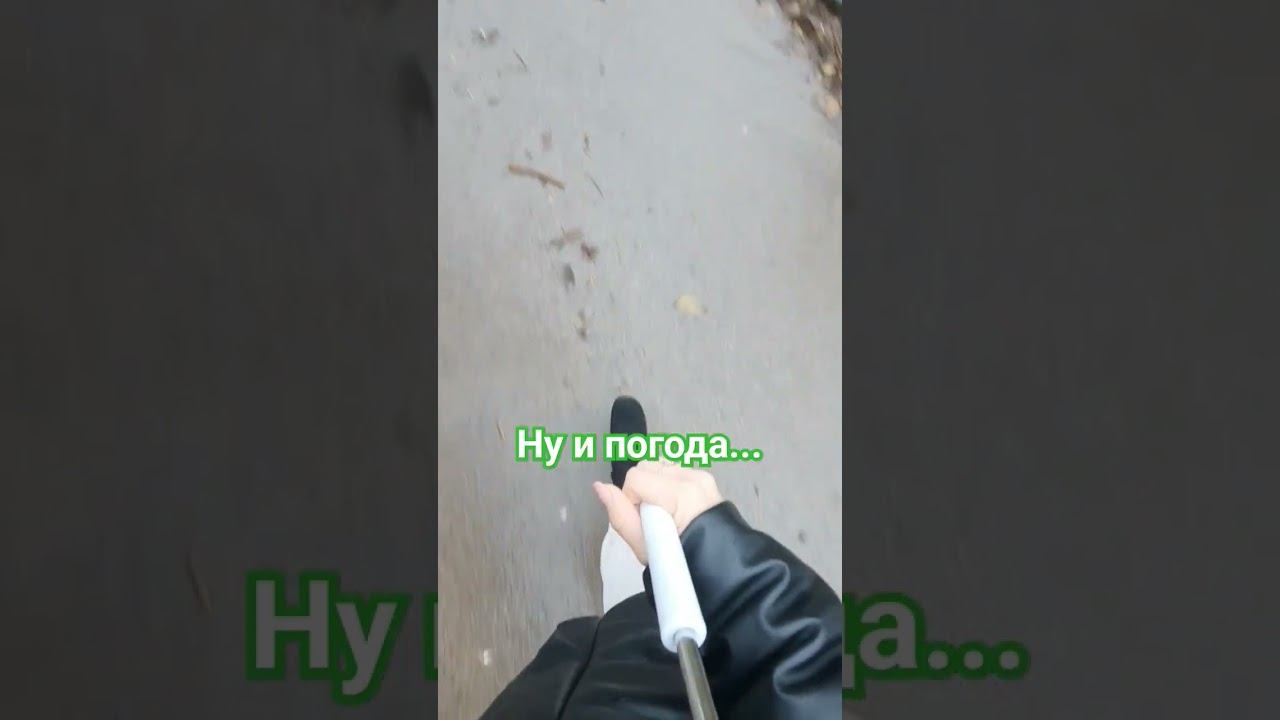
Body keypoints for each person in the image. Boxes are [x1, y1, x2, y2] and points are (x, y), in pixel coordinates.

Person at [481, 398, 842, 719]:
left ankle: (632, 504)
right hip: (669, 673)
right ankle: (633, 494)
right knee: (641, 592)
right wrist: (731, 582)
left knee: (623, 617)